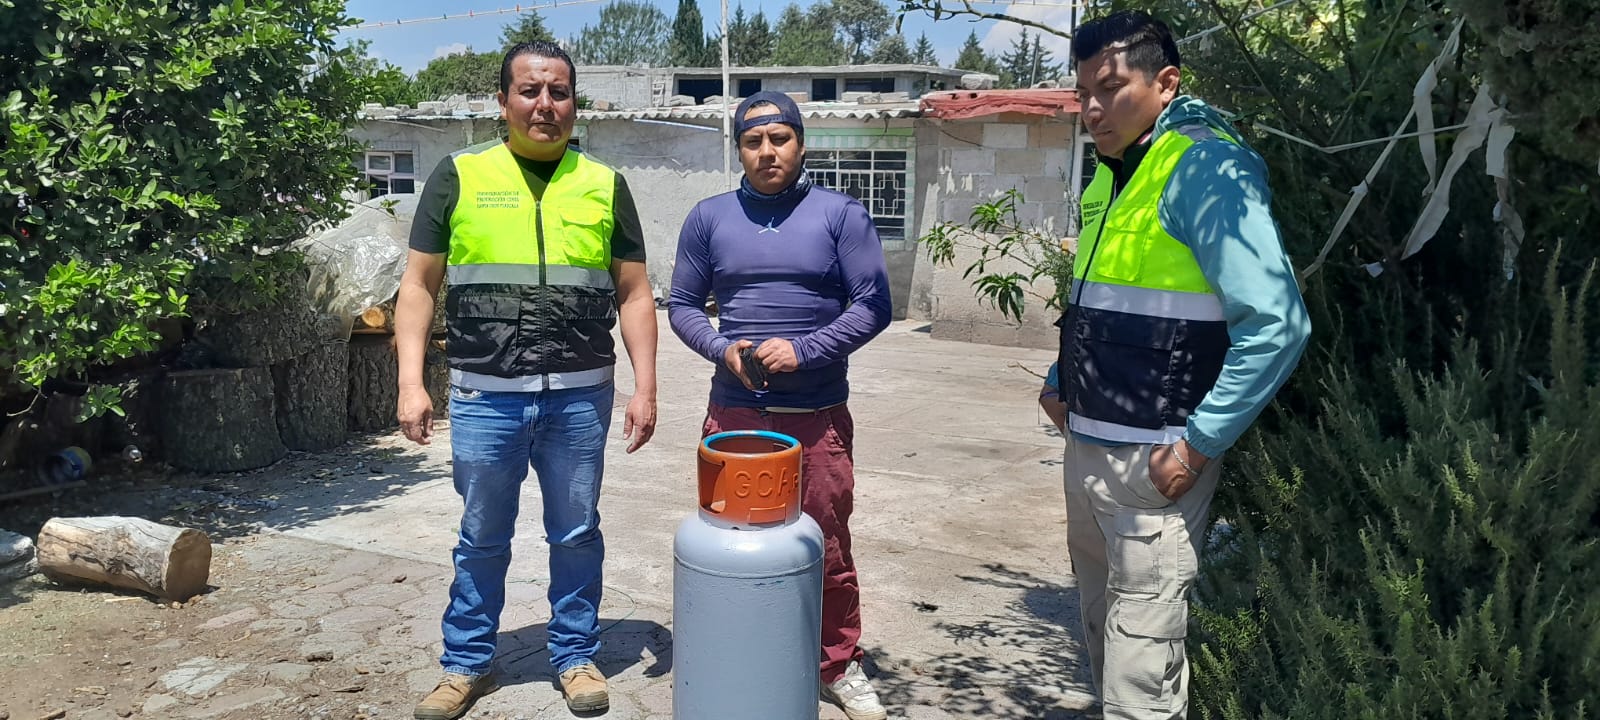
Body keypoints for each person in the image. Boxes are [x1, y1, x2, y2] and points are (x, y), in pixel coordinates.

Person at [393, 40, 658, 720]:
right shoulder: (459, 175)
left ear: (576, 101)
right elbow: (418, 286)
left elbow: (633, 293)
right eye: (530, 91)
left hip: (579, 396)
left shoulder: (603, 184)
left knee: (575, 534)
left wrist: (645, 385)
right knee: (481, 535)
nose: (546, 105)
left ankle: (574, 656)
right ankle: (467, 664)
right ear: (502, 102)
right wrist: (411, 383)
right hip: (486, 396)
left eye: (559, 92)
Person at [1058, 11, 1311, 720]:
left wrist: (1198, 445)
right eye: (1082, 93)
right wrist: (1060, 383)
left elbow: (1277, 323)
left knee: (1142, 675)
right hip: (1088, 451)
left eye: (1109, 88)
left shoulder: (1206, 166)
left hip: (1155, 464)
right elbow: (1096, 298)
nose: (1092, 110)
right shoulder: (1112, 176)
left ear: (1166, 83)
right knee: (1106, 644)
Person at [667, 91, 894, 720]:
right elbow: (682, 304)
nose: (767, 151)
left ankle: (836, 664)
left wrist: (807, 350)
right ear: (739, 147)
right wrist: (720, 349)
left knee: (826, 543)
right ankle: (743, 651)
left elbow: (874, 305)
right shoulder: (709, 218)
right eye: (752, 141)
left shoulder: (840, 216)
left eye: (780, 138)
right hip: (735, 415)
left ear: (801, 141)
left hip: (816, 418)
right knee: (736, 539)